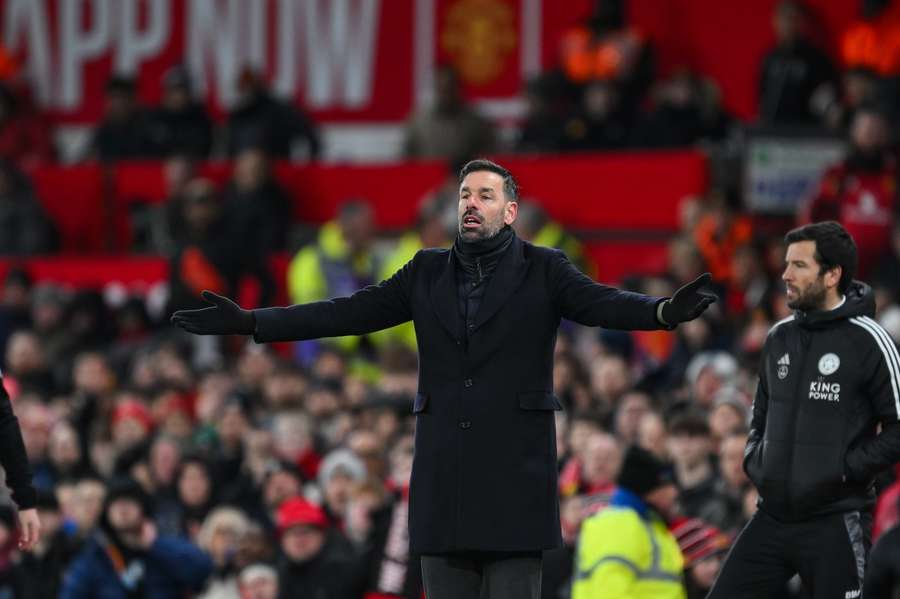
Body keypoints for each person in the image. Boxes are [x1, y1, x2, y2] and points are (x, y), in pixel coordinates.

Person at [172, 159, 716, 599]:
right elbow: (347, 312)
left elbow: (602, 304)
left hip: (514, 483)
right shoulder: (424, 270)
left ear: (510, 210)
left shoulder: (545, 268)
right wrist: (252, 322)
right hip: (443, 482)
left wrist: (663, 313)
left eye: (483, 195)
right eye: (463, 196)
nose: (470, 204)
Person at [708, 221, 900, 598]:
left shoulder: (870, 341)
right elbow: (759, 416)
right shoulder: (779, 337)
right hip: (772, 516)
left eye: (798, 265)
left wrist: (846, 469)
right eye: (786, 264)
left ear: (832, 275)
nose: (784, 274)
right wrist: (755, 459)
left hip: (834, 519)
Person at [60, 477, 213, 598]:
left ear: (142, 508)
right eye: (116, 503)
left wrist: (156, 546)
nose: (123, 509)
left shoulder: (162, 544)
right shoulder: (95, 556)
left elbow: (203, 570)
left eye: (129, 501)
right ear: (107, 512)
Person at [572, 444, 686, 599]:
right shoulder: (619, 525)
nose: (674, 493)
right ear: (649, 491)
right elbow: (609, 592)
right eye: (666, 486)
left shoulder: (646, 525)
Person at [758, 0, 836, 125]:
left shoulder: (815, 58)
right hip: (772, 130)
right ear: (774, 22)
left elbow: (826, 96)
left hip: (804, 132)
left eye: (791, 19)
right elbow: (762, 95)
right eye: (782, 19)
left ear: (801, 23)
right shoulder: (770, 58)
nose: (786, 25)